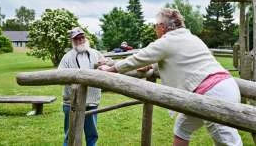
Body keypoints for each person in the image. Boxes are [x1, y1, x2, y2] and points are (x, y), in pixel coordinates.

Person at [99, 8, 242, 146]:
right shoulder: (190, 37)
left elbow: (137, 58)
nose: (155, 29)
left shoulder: (166, 41)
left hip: (212, 94)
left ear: (162, 26)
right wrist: (151, 66)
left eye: (155, 25)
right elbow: (175, 59)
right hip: (226, 86)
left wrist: (110, 69)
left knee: (228, 142)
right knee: (182, 128)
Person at [58, 27, 106, 146]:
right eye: (77, 38)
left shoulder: (95, 53)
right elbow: (59, 75)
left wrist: (105, 63)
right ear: (73, 41)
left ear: (86, 38)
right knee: (70, 134)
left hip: (92, 101)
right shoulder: (67, 57)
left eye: (82, 37)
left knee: (92, 134)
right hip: (71, 102)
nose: (80, 40)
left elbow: (106, 62)